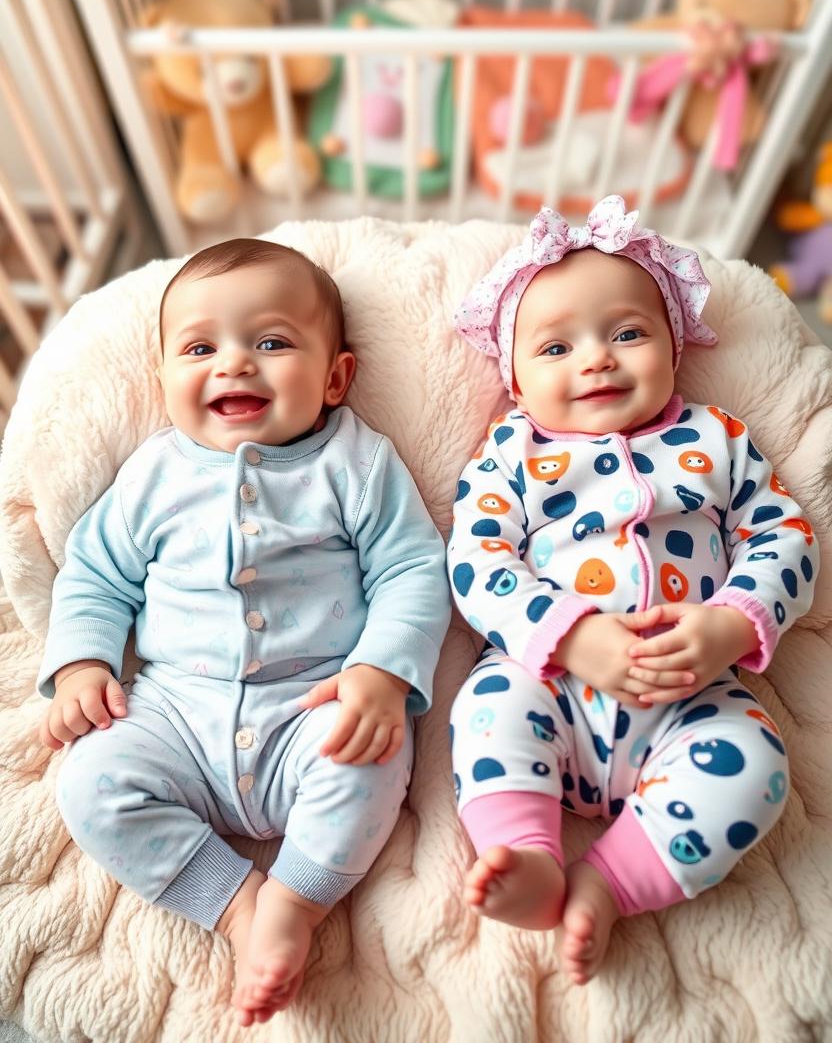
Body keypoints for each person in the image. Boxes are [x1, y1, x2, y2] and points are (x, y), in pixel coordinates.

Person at [37, 238, 450, 1025]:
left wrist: (383, 673)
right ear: (163, 384)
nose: (234, 364)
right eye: (201, 347)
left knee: (374, 758)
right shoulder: (153, 475)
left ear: (336, 378)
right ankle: (234, 904)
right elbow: (94, 574)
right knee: (88, 784)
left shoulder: (357, 463)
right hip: (173, 713)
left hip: (313, 703)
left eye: (271, 342)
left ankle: (295, 902)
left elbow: (411, 570)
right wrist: (83, 663)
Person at [448, 196, 816, 985]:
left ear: (673, 350)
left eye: (627, 332)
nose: (597, 359)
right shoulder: (510, 452)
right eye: (556, 346)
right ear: (513, 377)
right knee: (485, 713)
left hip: (693, 697)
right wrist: (570, 635)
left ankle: (610, 882)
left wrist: (729, 622)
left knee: (758, 766)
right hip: (550, 685)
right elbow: (477, 562)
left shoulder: (717, 438)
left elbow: (785, 537)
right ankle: (528, 854)